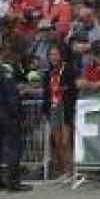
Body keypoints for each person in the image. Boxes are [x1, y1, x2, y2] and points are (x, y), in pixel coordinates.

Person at [0, 44, 32, 193]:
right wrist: (19, 113)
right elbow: (11, 95)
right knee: (13, 148)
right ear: (1, 54)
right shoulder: (5, 72)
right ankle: (13, 183)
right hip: (6, 114)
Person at [42, 44, 78, 181]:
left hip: (66, 107)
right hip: (53, 107)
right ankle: (65, 170)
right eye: (51, 55)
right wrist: (45, 110)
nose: (53, 57)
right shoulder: (48, 73)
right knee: (57, 141)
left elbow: (74, 88)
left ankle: (72, 169)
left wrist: (64, 89)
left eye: (56, 54)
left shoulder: (69, 70)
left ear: (62, 55)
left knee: (65, 140)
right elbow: (46, 93)